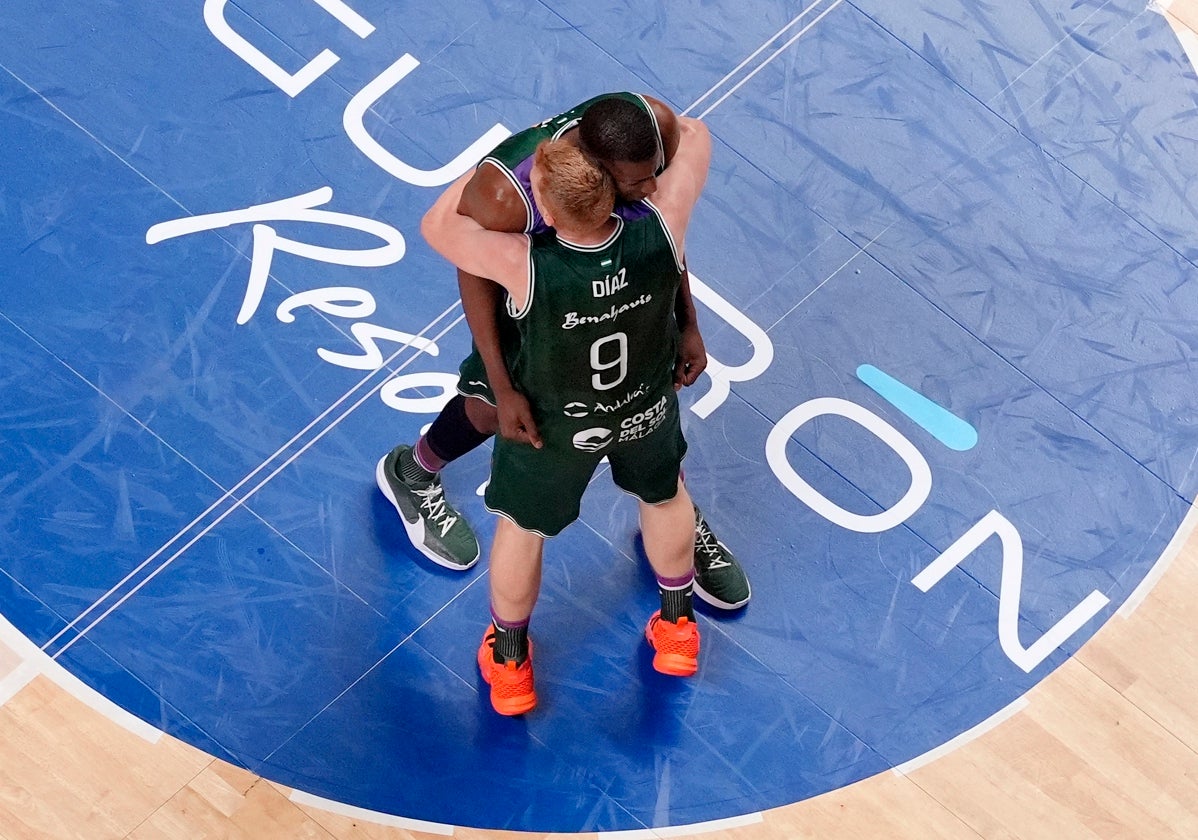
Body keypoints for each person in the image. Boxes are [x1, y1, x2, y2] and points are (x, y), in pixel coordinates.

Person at [375, 93, 751, 610]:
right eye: (636, 181)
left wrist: (688, 321)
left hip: (613, 289)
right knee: (490, 411)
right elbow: (473, 270)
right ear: (591, 171)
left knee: (643, 409)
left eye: (653, 173)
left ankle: (668, 506)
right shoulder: (507, 198)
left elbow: (670, 235)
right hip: (531, 291)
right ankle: (412, 471)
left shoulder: (648, 133)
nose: (652, 188)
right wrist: (501, 382)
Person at [420, 119, 713, 715]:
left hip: (558, 424)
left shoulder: (521, 261)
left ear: (546, 213)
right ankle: (678, 629)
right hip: (644, 404)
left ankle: (509, 662)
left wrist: (488, 174)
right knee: (665, 496)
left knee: (523, 531)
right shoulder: (664, 219)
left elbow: (438, 225)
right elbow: (696, 134)